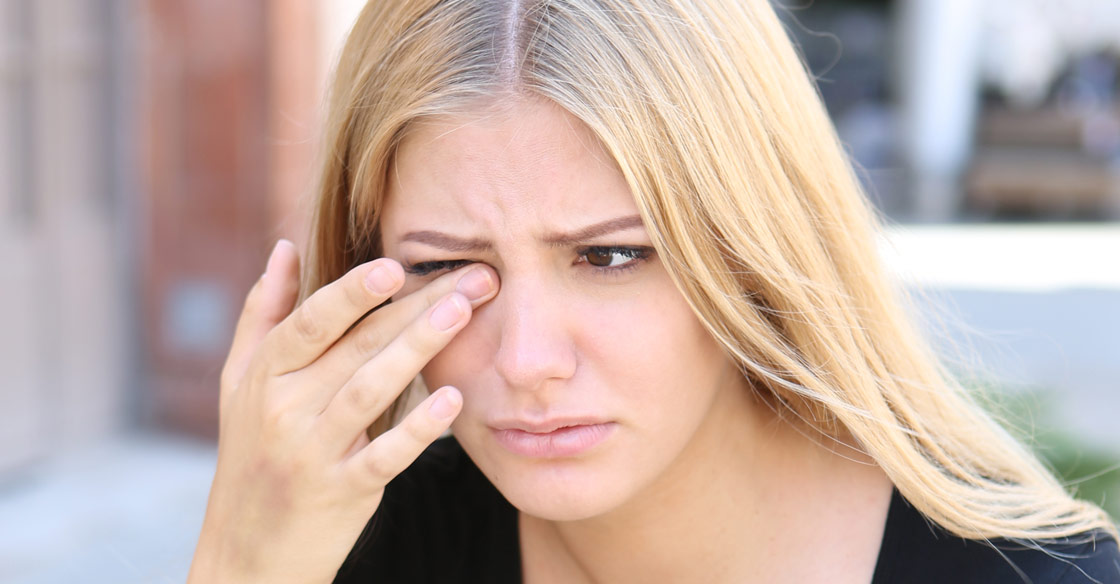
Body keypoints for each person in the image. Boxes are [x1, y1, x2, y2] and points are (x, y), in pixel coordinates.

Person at [188, 0, 1120, 582]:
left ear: (752, 248)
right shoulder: (352, 547)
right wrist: (238, 564)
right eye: (443, 269)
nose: (527, 361)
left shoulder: (1039, 579)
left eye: (609, 256)